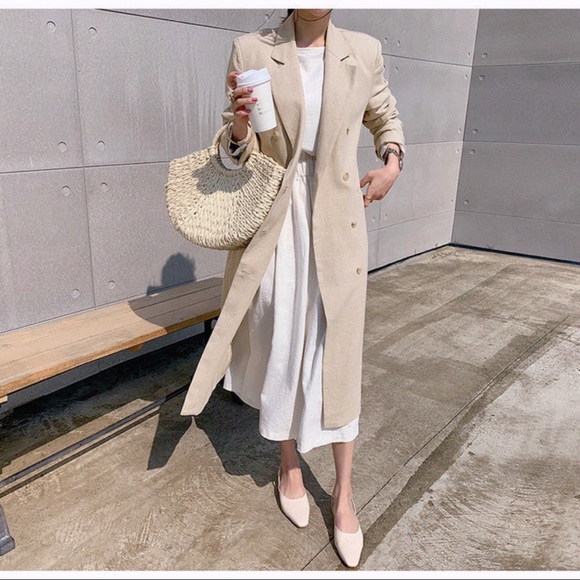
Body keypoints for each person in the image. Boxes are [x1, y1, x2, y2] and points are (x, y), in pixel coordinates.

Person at [180, 9, 404, 568]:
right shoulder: (252, 49)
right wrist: (237, 129)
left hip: (337, 220)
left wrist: (392, 162)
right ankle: (288, 464)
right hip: (276, 223)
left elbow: (384, 115)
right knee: (280, 342)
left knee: (336, 353)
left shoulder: (363, 50)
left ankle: (345, 494)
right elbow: (237, 150)